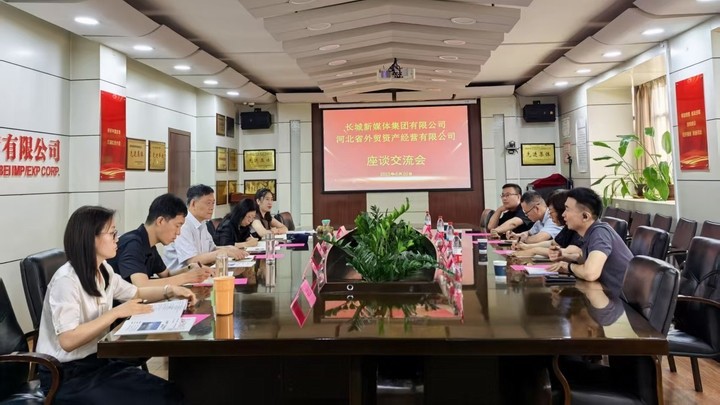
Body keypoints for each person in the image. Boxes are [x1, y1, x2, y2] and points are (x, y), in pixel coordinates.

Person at [36, 205, 196, 405]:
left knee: (169, 391)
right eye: (112, 233)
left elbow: (136, 292)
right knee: (158, 398)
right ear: (91, 238)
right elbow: (67, 340)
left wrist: (170, 290)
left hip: (97, 362)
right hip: (66, 376)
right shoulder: (66, 280)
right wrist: (115, 313)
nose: (117, 239)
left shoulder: (103, 269)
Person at [108, 193, 215, 287]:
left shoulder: (150, 245)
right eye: (177, 226)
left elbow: (167, 275)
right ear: (160, 221)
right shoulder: (133, 244)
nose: (178, 232)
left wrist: (190, 268)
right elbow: (142, 285)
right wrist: (187, 277)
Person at [548, 187, 633, 297]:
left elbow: (591, 273)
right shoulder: (590, 233)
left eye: (567, 209)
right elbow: (588, 259)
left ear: (585, 216)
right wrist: (565, 256)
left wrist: (568, 266)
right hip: (607, 295)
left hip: (621, 301)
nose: (563, 214)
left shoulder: (600, 233)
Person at [163, 184, 248, 271]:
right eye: (208, 203)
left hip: (201, 273)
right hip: (182, 276)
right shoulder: (183, 225)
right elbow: (192, 261)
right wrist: (223, 252)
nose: (212, 208)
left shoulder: (202, 223)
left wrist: (230, 249)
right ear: (193, 204)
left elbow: (212, 249)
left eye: (213, 203)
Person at [511, 189, 583, 257]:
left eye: (551, 211)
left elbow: (569, 252)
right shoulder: (568, 228)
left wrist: (535, 250)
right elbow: (553, 243)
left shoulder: (579, 229)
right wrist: (526, 247)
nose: (550, 215)